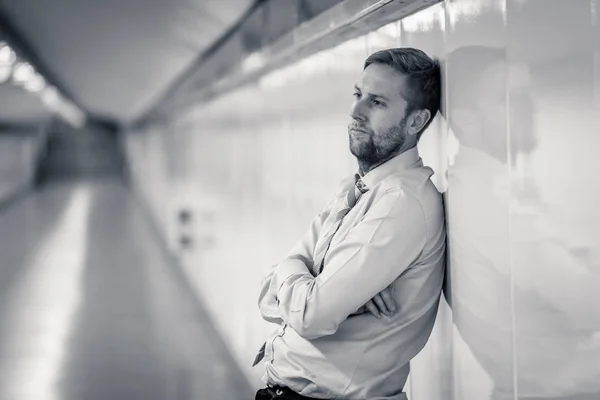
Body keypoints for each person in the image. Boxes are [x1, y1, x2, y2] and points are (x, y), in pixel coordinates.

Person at [253, 48, 446, 400]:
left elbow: (310, 315)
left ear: (416, 121)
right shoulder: (353, 190)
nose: (355, 112)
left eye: (376, 103)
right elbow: (267, 293)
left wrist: (302, 276)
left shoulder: (400, 203)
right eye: (357, 95)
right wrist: (298, 275)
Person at [444, 45, 600, 400]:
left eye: (529, 95)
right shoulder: (487, 200)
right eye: (510, 98)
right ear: (466, 119)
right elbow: (589, 299)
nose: (532, 108)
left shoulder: (495, 188)